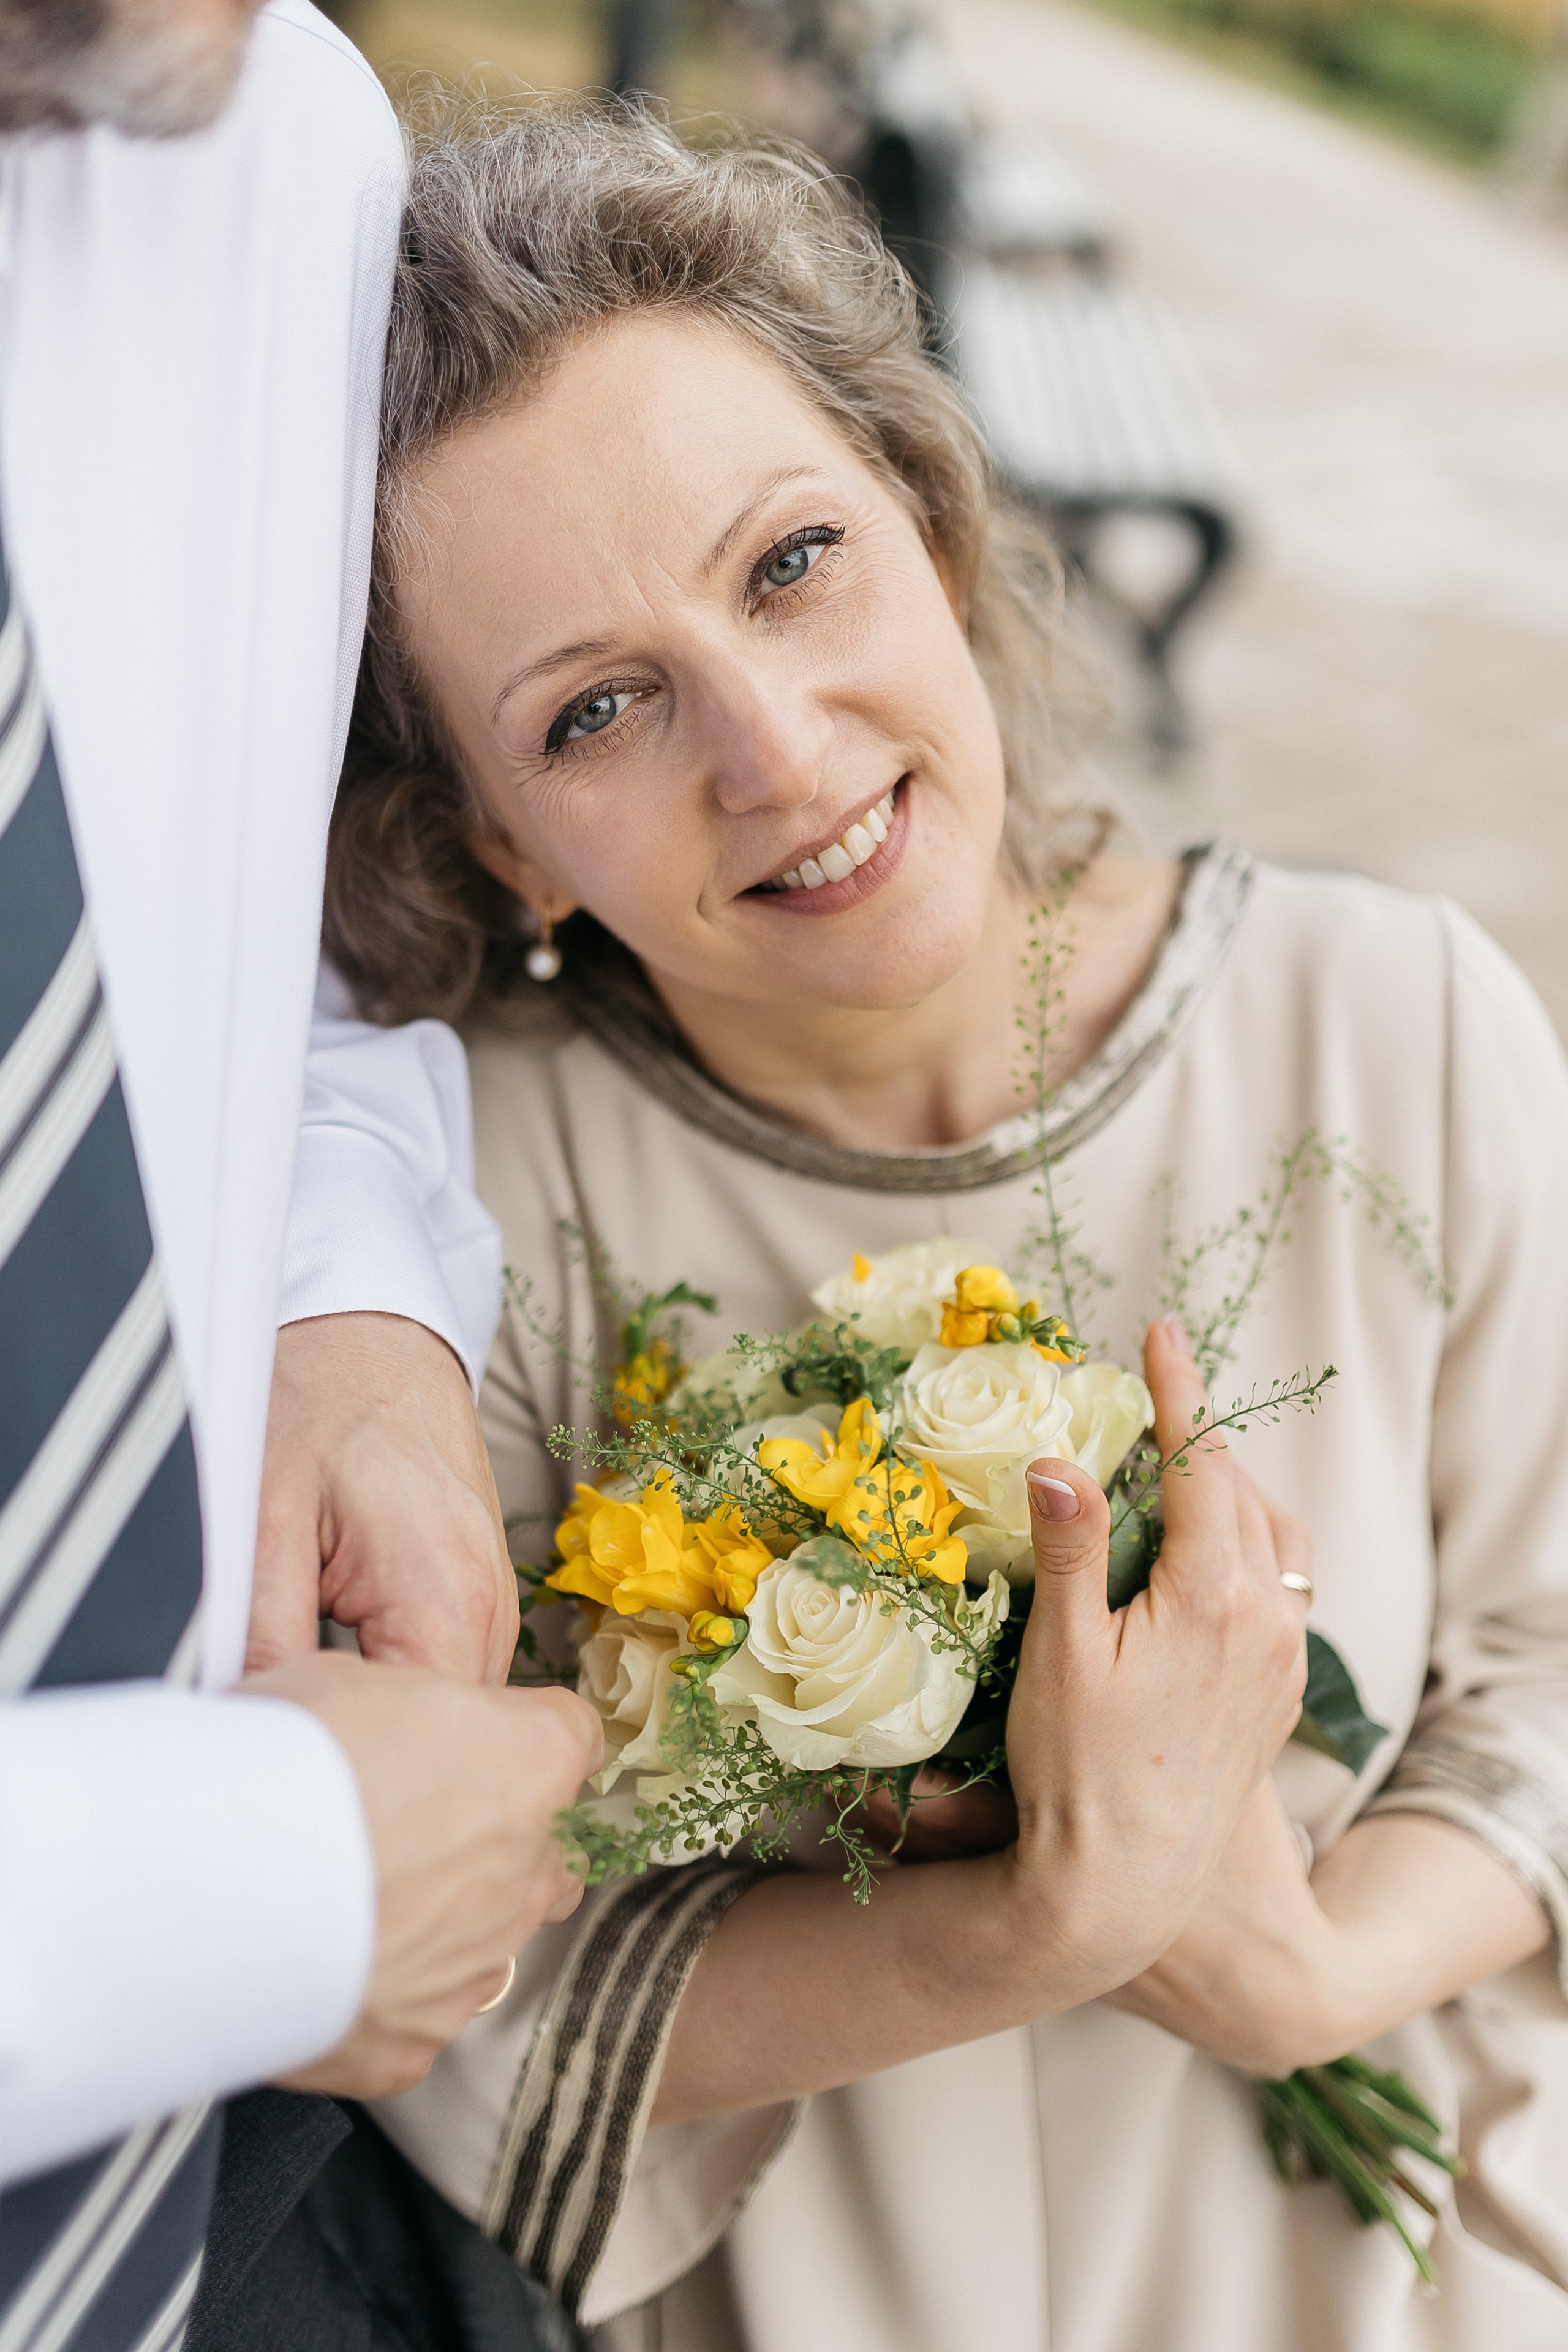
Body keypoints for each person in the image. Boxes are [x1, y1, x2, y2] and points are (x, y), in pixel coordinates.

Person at [306, 95, 1568, 2350]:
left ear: (937, 516)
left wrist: (1309, 1972)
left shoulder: (1396, 1019)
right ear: (492, 841)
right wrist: (1041, 1924)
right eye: (596, 711)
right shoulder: (453, 1225)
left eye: (793, 562)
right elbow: (458, 1972)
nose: (778, 754)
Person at [0, 8, 602, 2345]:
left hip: (248, 2218)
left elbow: (220, 932)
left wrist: (337, 1286)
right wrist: (236, 1897)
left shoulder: (267, 150)